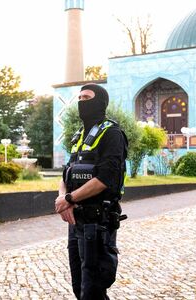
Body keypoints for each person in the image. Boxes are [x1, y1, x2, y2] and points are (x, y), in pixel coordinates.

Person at [55, 84, 128, 300]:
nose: (81, 102)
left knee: (93, 289)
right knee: (79, 287)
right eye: (79, 97)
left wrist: (69, 198)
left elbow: (106, 179)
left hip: (98, 223)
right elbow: (66, 173)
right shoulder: (79, 136)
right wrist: (63, 198)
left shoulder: (112, 134)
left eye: (86, 97)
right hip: (76, 221)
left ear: (100, 102)